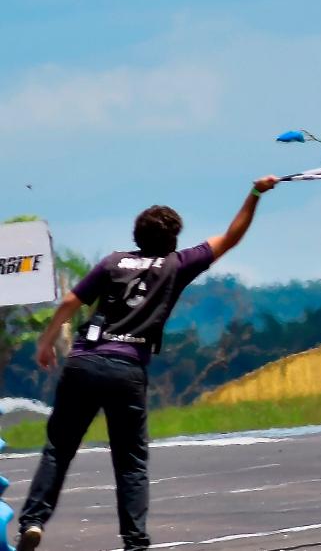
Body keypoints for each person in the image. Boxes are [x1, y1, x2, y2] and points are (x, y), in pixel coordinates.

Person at [15, 176, 279, 551]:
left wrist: (46, 342)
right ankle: (135, 543)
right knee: (130, 462)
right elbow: (231, 236)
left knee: (59, 448)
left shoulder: (112, 262)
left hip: (85, 362)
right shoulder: (179, 264)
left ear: (136, 235)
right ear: (173, 239)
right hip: (127, 371)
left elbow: (70, 303)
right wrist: (255, 194)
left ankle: (34, 521)